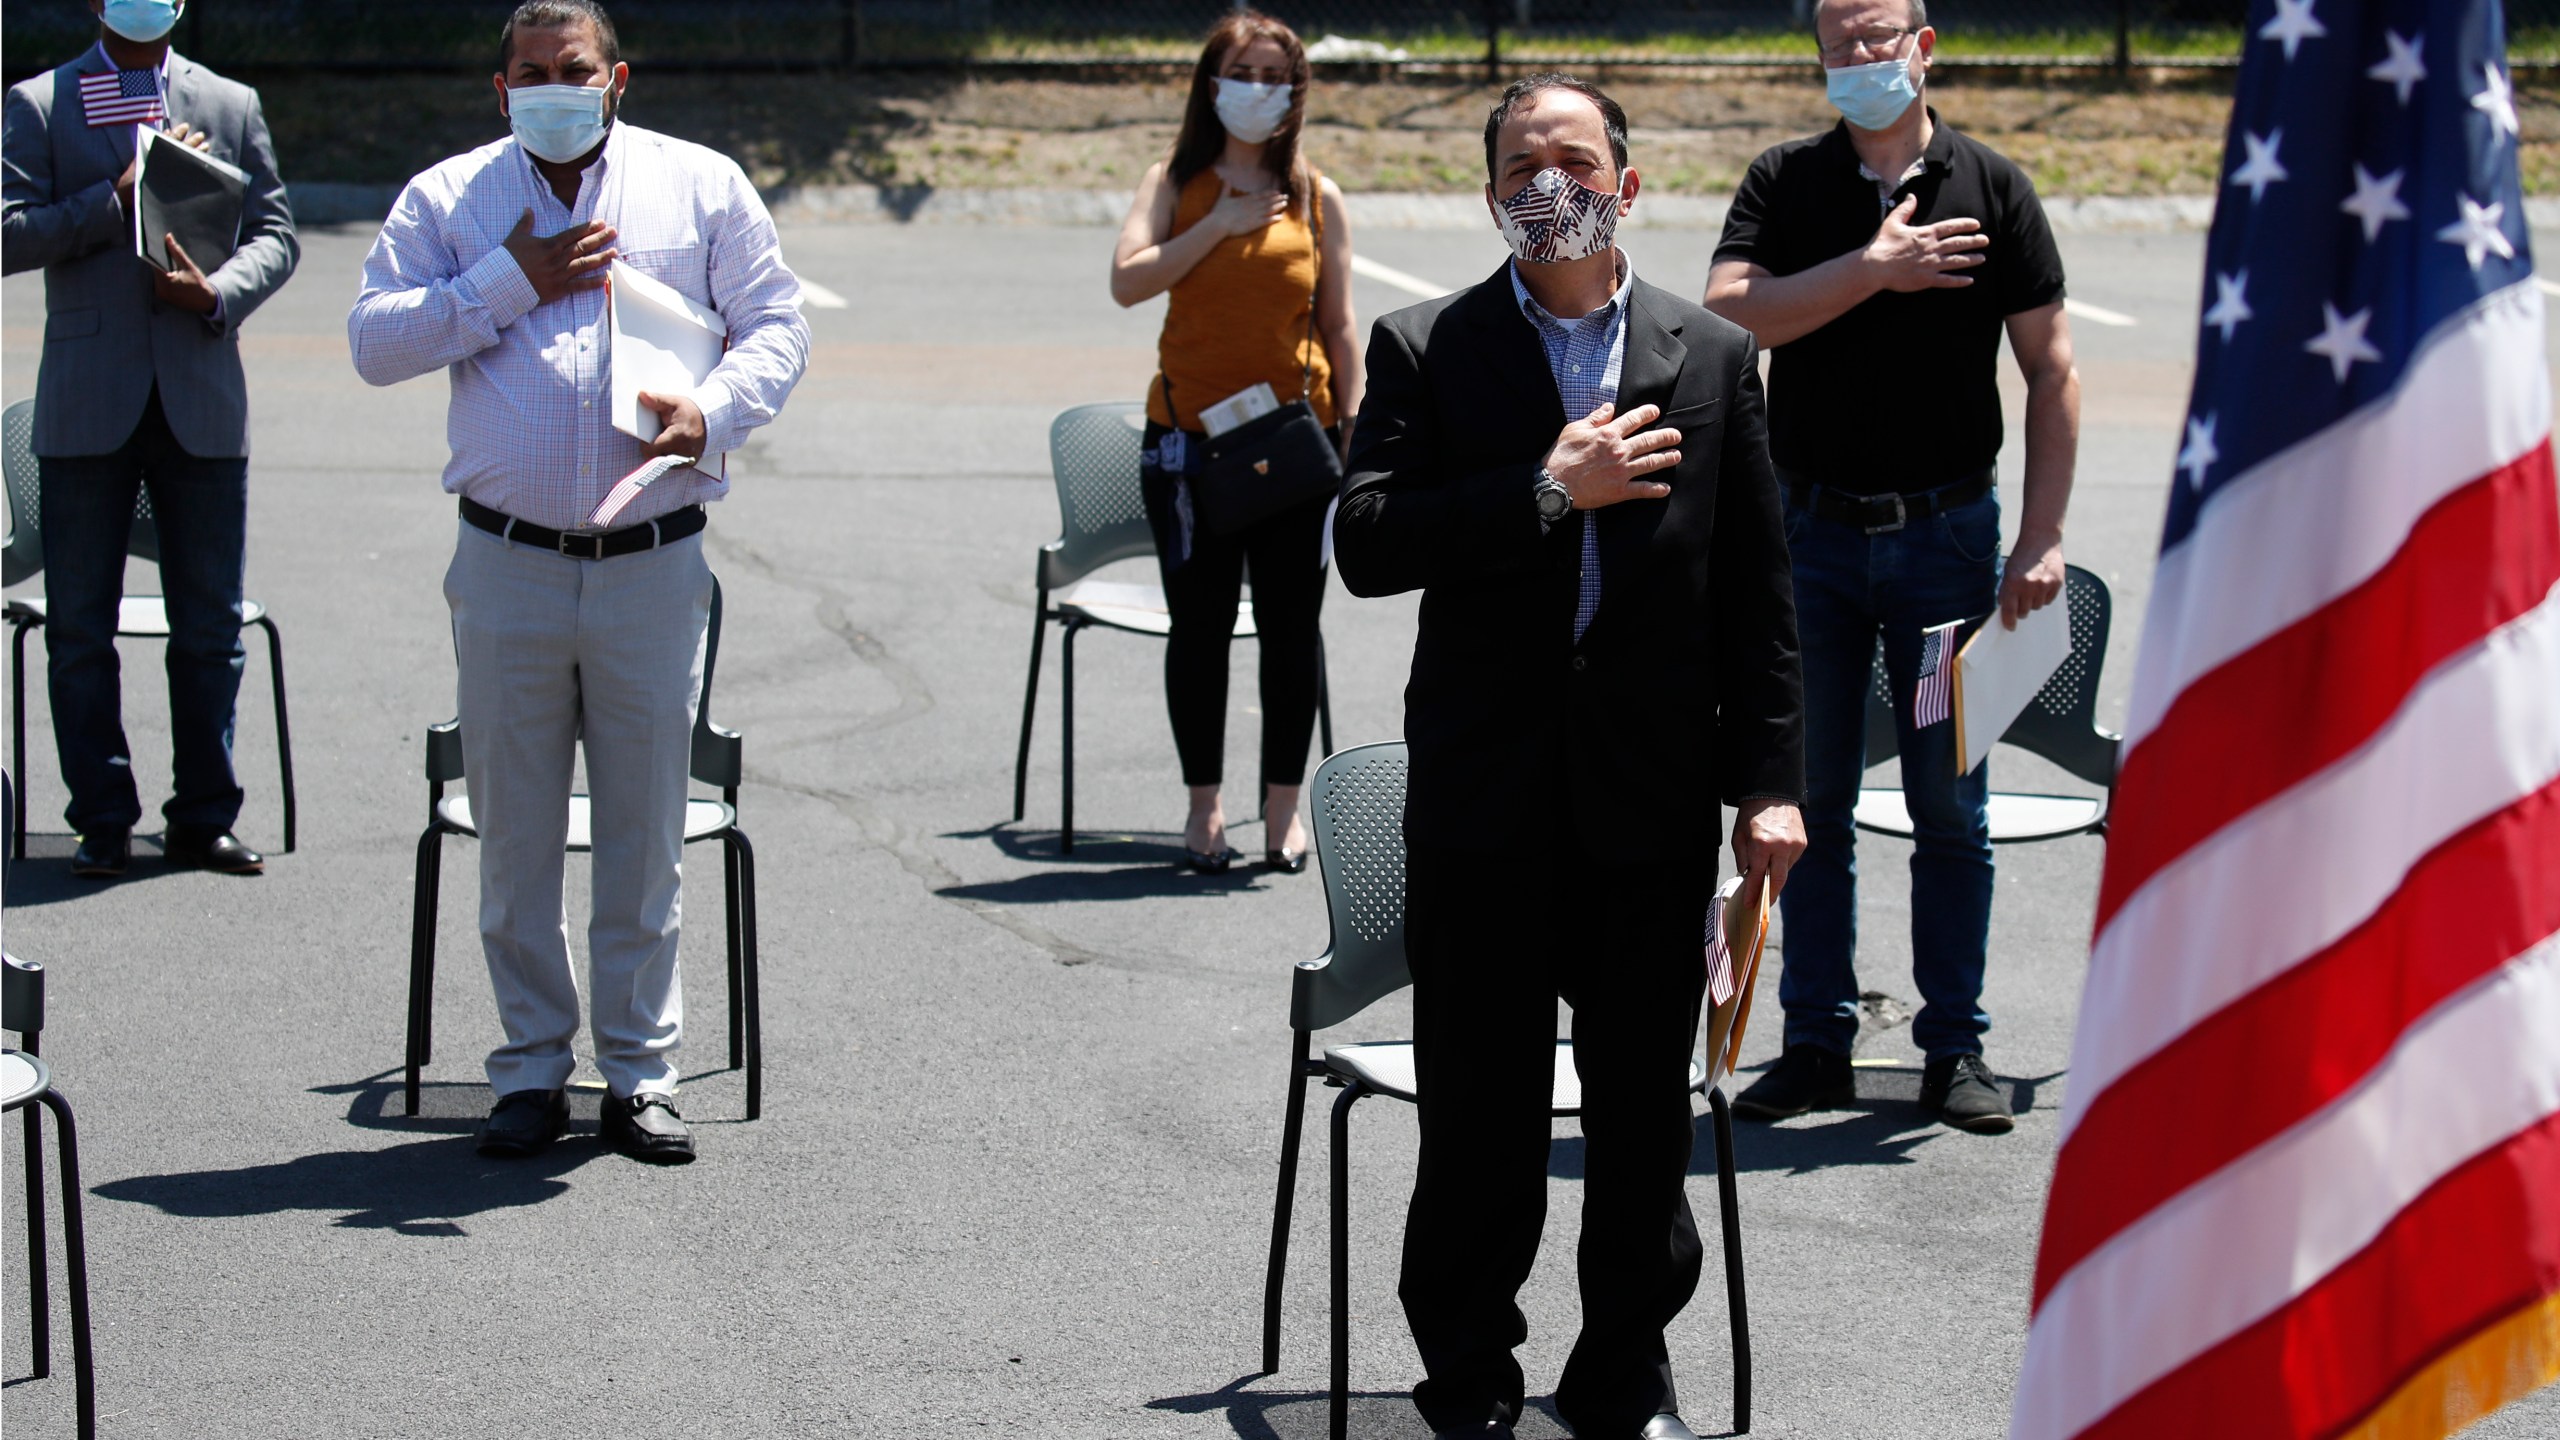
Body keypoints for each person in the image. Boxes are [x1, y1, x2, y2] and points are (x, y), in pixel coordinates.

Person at [1335, 73, 1805, 1440]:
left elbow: (1757, 596)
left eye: (1576, 161)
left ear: (1629, 185)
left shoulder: (1710, 357)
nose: (1552, 187)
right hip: (1487, 800)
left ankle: (1623, 1374)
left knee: (1641, 1117)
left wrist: (1769, 785)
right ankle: (1470, 1374)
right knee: (1479, 1111)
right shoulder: (1429, 347)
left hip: (1648, 801)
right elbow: (1368, 542)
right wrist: (1548, 490)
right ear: (1490, 198)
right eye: (1523, 168)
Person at [349, 0, 808, 1165]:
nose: (555, 86)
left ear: (617, 79)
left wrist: (712, 411)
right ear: (500, 88)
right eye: (531, 72)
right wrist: (507, 280)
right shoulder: (449, 200)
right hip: (505, 561)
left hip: (651, 563)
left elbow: (777, 326)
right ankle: (529, 1072)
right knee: (514, 835)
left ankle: (642, 1076)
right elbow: (374, 342)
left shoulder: (697, 186)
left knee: (645, 833)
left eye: (576, 70)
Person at [1702, 0, 2079, 1135]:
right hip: (1809, 546)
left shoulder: (1992, 185)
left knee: (1943, 803)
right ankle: (1813, 1037)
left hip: (1943, 556)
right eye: (1841, 43)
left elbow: (2051, 370)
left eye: (1881, 38)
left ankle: (1952, 1046)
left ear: (1925, 44)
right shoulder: (1785, 179)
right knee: (1802, 801)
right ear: (1819, 57)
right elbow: (1731, 315)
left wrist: (2042, 536)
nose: (1863, 60)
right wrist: (1871, 268)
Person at [2, 0, 298, 879]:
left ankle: (202, 818)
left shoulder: (230, 103)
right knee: (80, 631)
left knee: (209, 629)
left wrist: (216, 295)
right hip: (88, 403)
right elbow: (8, 230)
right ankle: (101, 817)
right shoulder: (43, 102)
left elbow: (277, 235)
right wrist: (111, 201)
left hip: (200, 396)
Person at [1108, 9, 1362, 875]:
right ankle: (1203, 810)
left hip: (1296, 444)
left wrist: (1358, 429)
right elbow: (1127, 282)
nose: (1258, 90)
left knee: (1294, 630)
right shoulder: (1174, 180)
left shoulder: (1319, 197)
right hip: (1186, 445)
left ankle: (1283, 812)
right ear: (1211, 85)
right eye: (1241, 73)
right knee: (1201, 627)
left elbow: (1338, 324)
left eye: (1275, 76)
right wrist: (1219, 222)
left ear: (1296, 93)